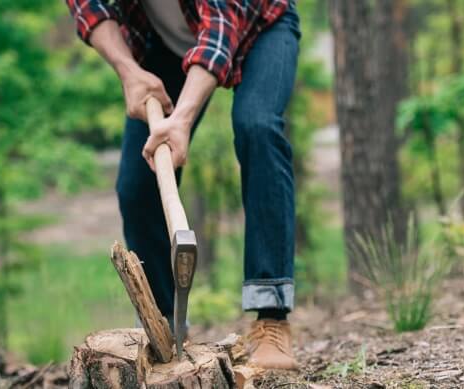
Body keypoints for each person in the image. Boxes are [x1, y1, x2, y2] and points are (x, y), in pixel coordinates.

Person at [65, 0, 300, 369]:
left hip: (261, 24)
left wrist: (183, 118)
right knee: (137, 187)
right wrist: (129, 71)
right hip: (167, 44)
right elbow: (88, 6)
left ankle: (271, 318)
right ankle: (167, 330)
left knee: (258, 127)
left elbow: (221, 25)